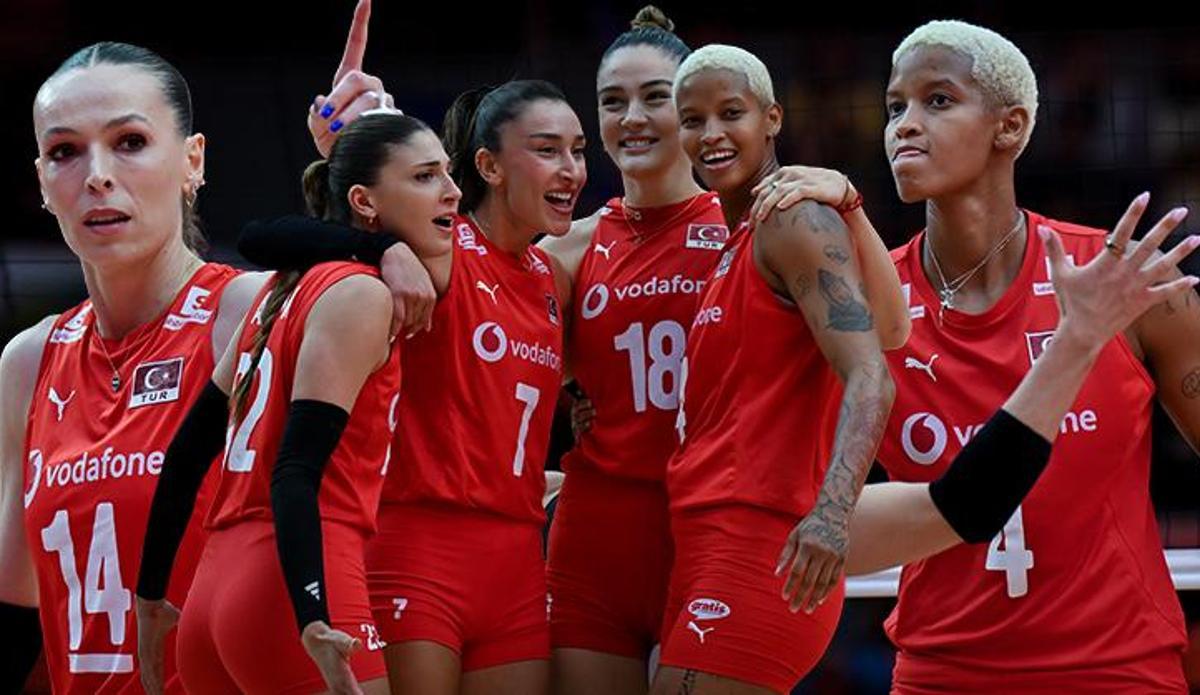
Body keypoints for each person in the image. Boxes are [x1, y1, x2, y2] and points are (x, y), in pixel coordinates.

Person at [135, 112, 459, 695]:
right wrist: (312, 617)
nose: (452, 191)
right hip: (295, 586)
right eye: (425, 176)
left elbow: (186, 453)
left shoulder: (276, 293)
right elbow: (295, 472)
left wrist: (150, 596)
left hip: (213, 591)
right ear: (364, 202)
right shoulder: (360, 294)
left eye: (447, 173)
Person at [0, 41, 271, 694]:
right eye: (65, 151)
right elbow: (17, 602)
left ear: (192, 160)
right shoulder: (28, 360)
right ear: (42, 182)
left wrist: (373, 172)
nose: (96, 174)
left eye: (129, 142)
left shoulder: (249, 311)